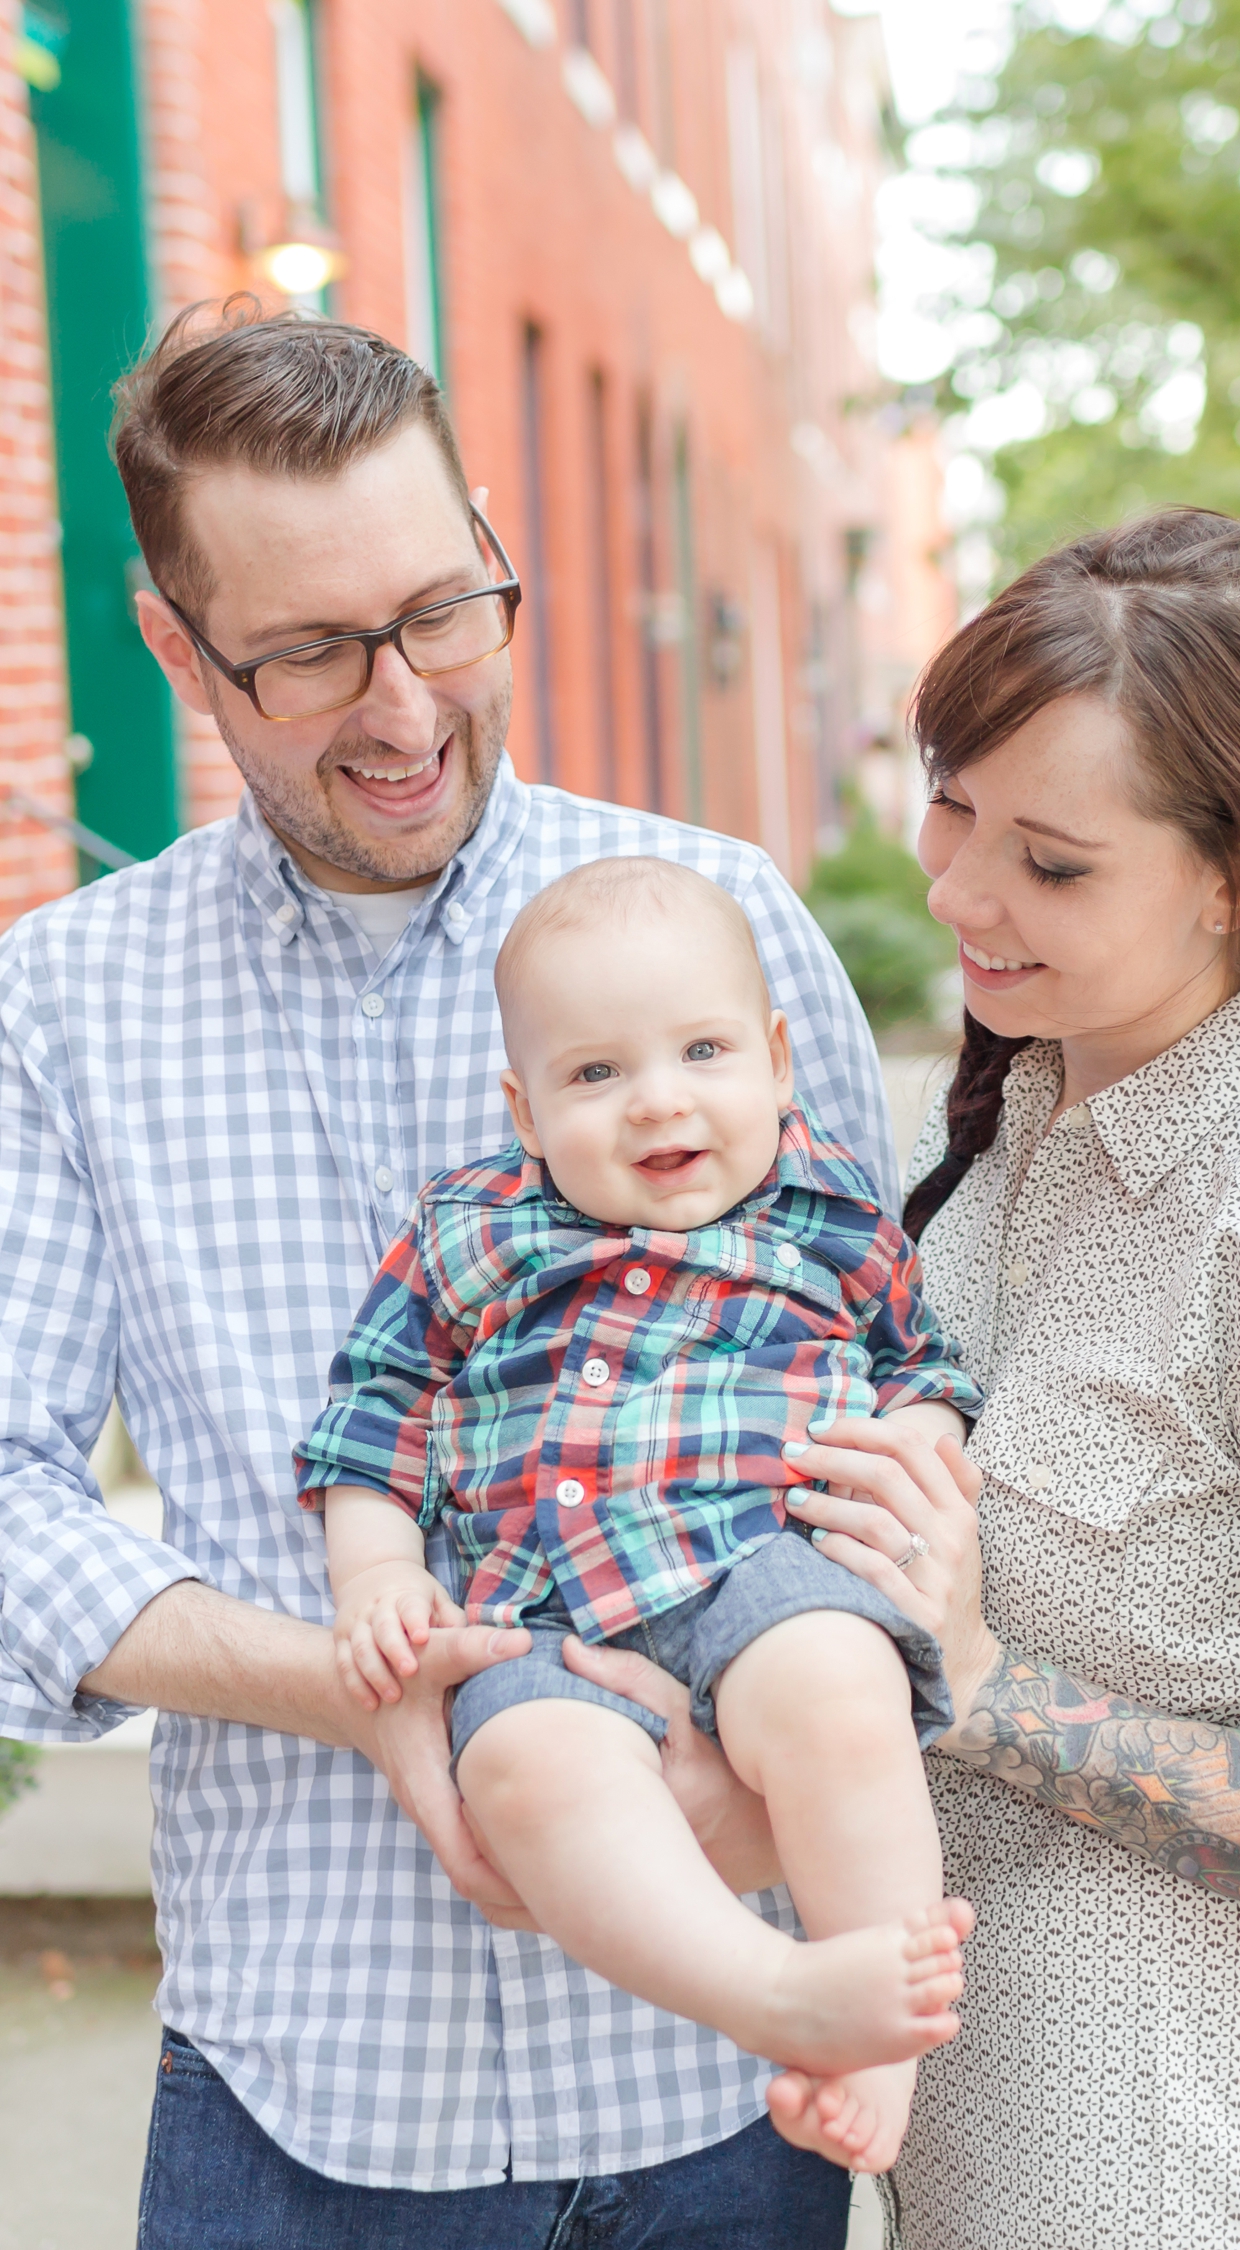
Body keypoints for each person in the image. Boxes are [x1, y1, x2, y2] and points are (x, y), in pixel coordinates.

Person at [0, 301, 896, 2248]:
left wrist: (816, 1731)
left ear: (496, 545)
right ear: (175, 643)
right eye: (314, 654)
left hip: (717, 2078)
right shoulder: (60, 1005)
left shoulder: (727, 917)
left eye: (445, 613)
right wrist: (346, 1683)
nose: (405, 710)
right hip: (307, 2080)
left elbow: (884, 1397)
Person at [765, 511, 1240, 2247]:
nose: (958, 891)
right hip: (964, 2176)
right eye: (952, 808)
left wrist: (986, 1681)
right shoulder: (1042, 1095)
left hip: (1190, 2187)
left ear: (1234, 876)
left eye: (1052, 860)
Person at [300, 856, 982, 2172]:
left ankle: (879, 2039)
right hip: (537, 1620)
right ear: (525, 1105)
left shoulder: (828, 1211)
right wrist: (376, 1573)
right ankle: (766, 1990)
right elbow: (372, 1413)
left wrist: (919, 1444)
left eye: (704, 1050)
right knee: (518, 1773)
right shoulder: (467, 1233)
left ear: (780, 1061)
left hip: (764, 1566)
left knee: (845, 1688)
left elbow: (925, 1368)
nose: (658, 1098)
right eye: (595, 1073)